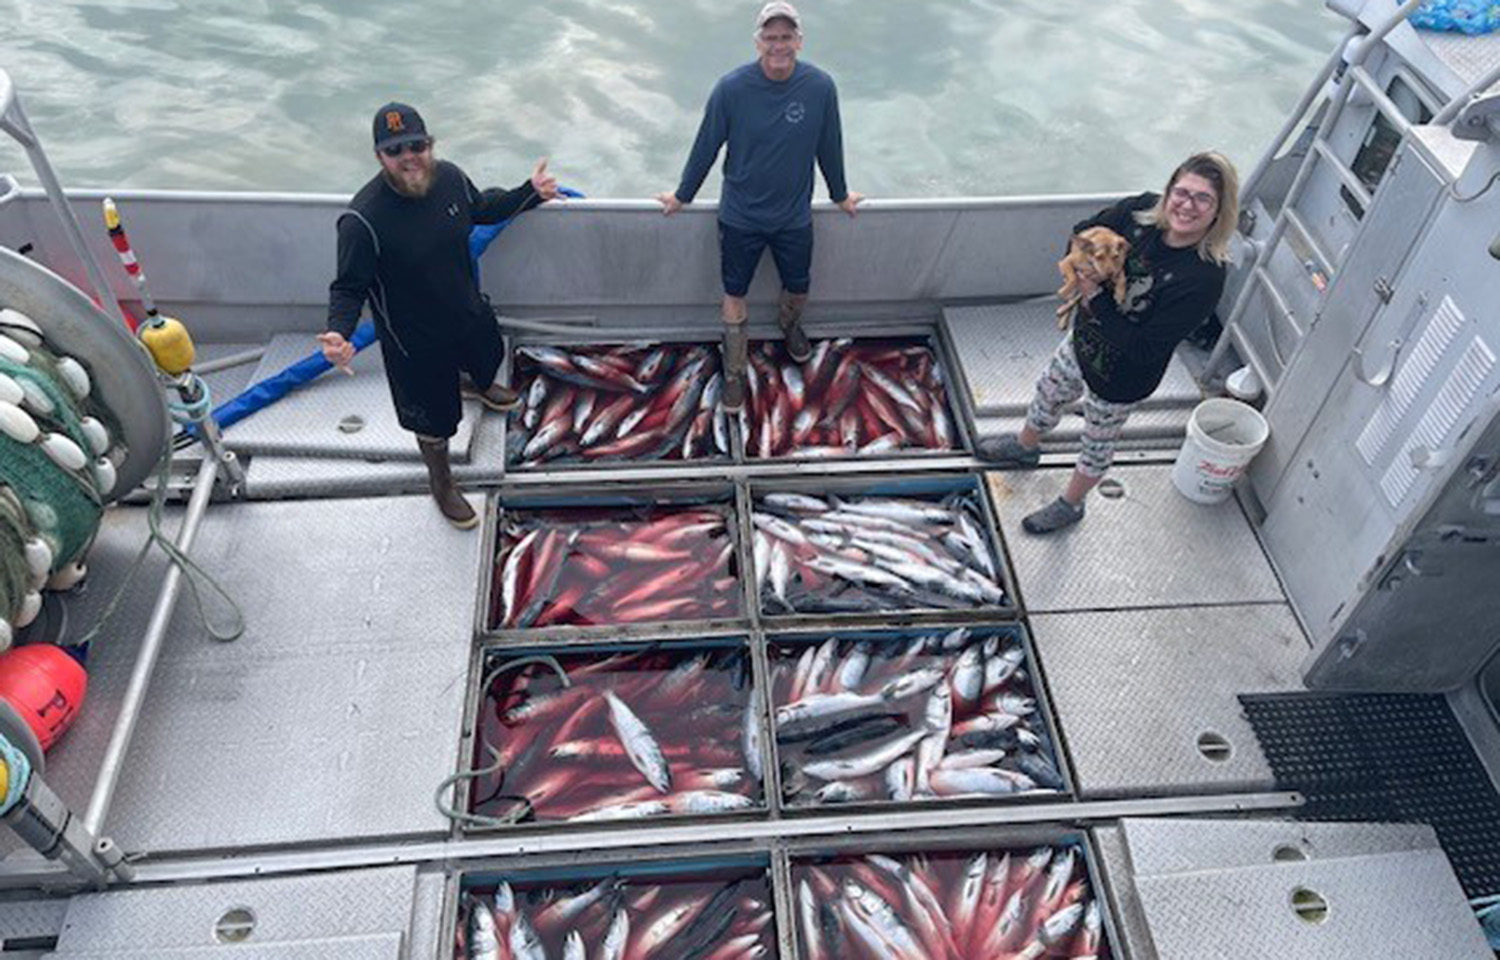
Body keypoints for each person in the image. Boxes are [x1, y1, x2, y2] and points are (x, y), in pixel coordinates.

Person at [321, 102, 558, 529]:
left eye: (417, 144)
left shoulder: (448, 176)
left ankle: (480, 385)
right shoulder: (362, 219)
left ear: (430, 145)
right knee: (435, 422)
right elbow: (348, 287)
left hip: (466, 310)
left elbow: (482, 207)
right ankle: (442, 482)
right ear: (380, 157)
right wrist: (339, 334)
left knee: (487, 356)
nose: (409, 156)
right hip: (415, 342)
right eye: (396, 150)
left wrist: (530, 192)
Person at [977, 151, 1240, 534]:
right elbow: (1083, 229)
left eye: (1203, 199)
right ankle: (1025, 445)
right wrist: (1081, 261)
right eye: (1181, 192)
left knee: (1097, 442)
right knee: (1048, 391)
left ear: (1219, 211)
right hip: (1082, 340)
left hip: (1122, 377)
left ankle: (1072, 503)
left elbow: (1144, 348)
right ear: (1168, 191)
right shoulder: (1139, 213)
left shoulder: (1204, 277)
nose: (1187, 205)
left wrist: (1093, 296)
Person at [656, 0, 863, 411]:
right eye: (771, 37)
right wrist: (683, 196)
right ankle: (733, 372)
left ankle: (790, 325)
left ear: (799, 42)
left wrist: (840, 194)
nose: (778, 45)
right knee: (734, 292)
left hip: (793, 217)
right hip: (740, 216)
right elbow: (706, 146)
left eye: (786, 37)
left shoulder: (820, 87)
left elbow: (830, 146)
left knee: (799, 284)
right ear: (758, 42)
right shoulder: (730, 89)